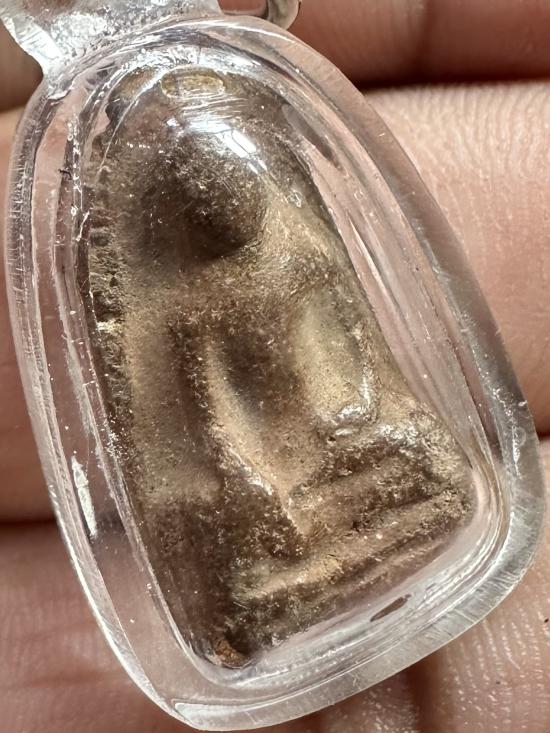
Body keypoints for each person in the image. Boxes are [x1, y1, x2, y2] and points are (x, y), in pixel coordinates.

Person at [1, 1, 549, 731]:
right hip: (263, 478)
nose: (225, 203)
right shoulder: (174, 301)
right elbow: (198, 419)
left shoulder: (298, 248)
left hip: (348, 430)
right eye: (198, 191)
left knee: (420, 462)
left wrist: (355, 417)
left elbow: (358, 352)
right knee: (249, 540)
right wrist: (247, 473)